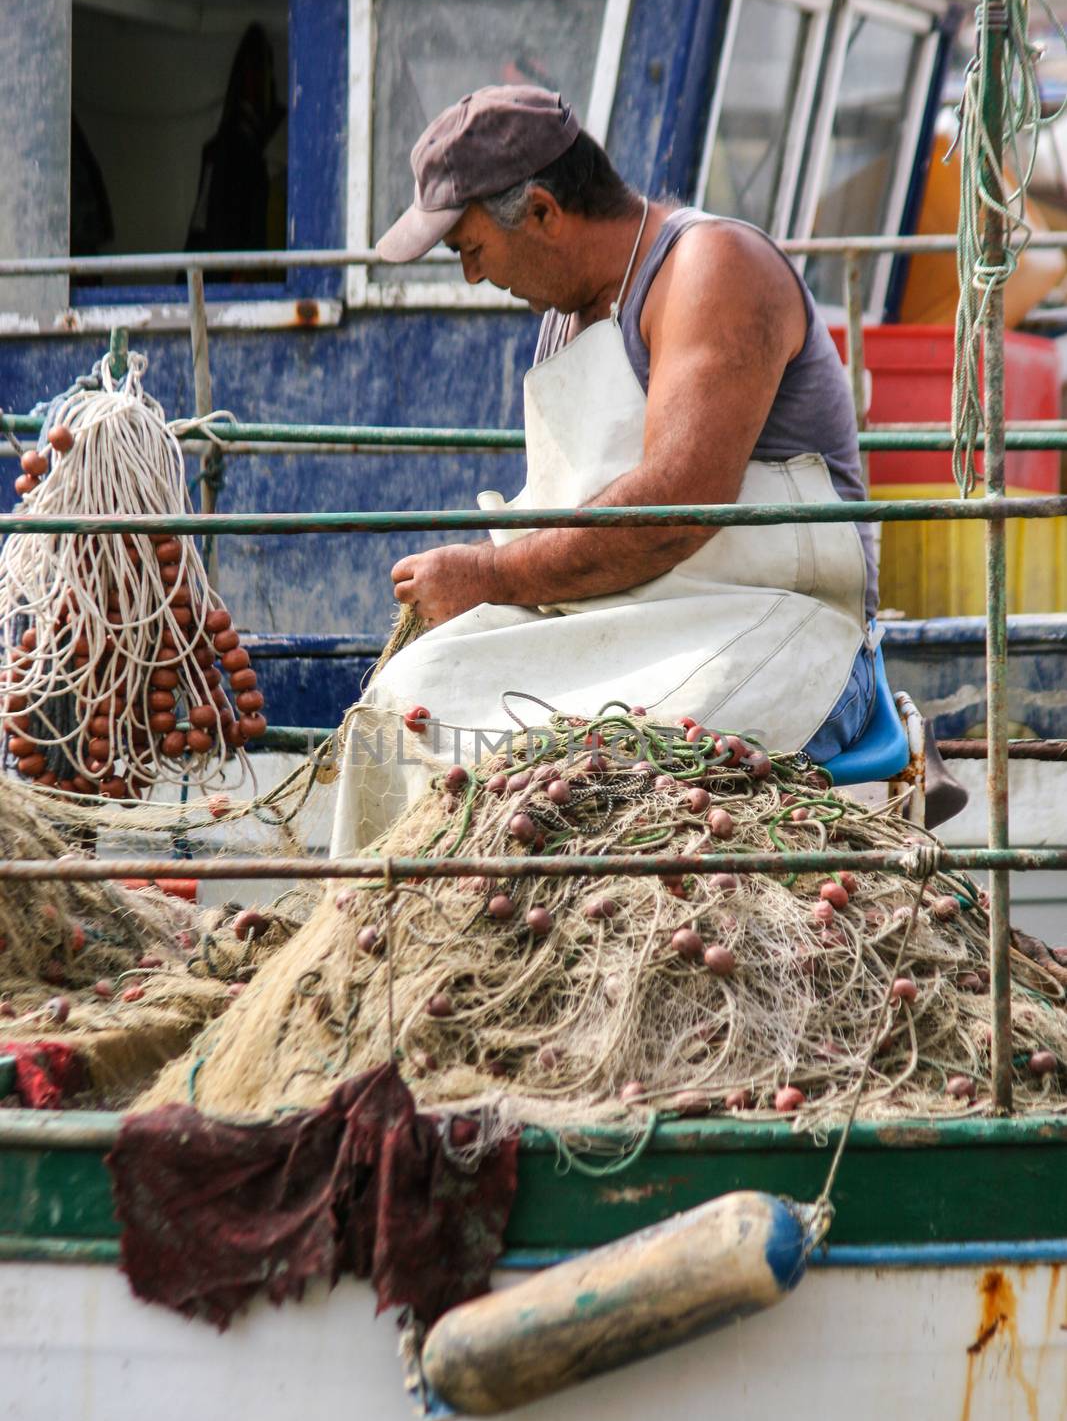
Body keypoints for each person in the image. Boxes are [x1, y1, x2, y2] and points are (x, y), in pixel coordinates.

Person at [330, 85, 878, 854]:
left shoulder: (709, 266)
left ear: (546, 212)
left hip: (776, 625)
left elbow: (673, 510)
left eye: (469, 249)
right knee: (403, 708)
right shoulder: (565, 319)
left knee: (601, 777)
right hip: (626, 623)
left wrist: (490, 577)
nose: (472, 279)